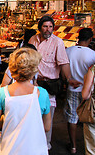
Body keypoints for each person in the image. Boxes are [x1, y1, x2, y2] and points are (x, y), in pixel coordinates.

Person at [29, 15, 79, 150]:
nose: (48, 30)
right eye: (45, 26)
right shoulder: (33, 40)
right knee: (33, 114)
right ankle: (32, 143)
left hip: (50, 85)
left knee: (47, 116)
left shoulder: (58, 42)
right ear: (40, 28)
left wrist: (69, 79)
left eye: (50, 27)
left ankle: (45, 145)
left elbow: (64, 62)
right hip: (34, 84)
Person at [0, 47, 52, 155]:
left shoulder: (3, 93)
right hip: (36, 149)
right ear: (34, 70)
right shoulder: (42, 94)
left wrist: (5, 117)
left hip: (10, 149)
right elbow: (46, 127)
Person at [65, 28, 95, 154]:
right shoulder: (92, 54)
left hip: (72, 88)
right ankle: (88, 144)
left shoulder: (68, 51)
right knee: (88, 117)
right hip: (88, 90)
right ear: (90, 39)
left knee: (72, 117)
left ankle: (73, 146)